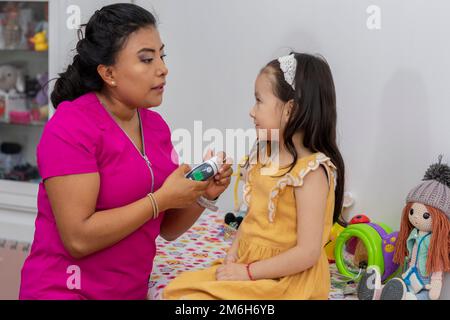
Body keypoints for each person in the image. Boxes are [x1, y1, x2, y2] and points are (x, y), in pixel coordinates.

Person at [19, 3, 233, 300]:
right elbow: (78, 239)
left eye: (162, 54)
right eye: (147, 59)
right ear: (109, 73)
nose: (163, 68)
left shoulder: (156, 127)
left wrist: (202, 195)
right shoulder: (70, 126)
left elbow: (166, 228)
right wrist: (159, 200)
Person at [163, 52, 345, 299]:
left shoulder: (311, 172)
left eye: (259, 101)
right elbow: (252, 219)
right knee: (176, 291)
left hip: (287, 280)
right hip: (250, 267)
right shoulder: (264, 157)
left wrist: (248, 272)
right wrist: (233, 255)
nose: (252, 111)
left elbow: (308, 253)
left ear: (289, 110)